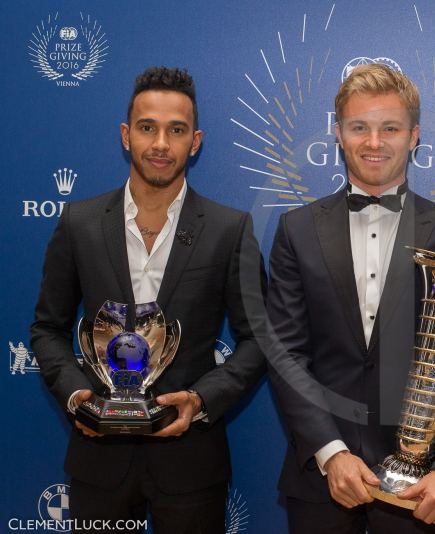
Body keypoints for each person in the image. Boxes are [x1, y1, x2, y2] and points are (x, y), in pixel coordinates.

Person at [30, 67, 269, 533]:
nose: (161, 143)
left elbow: (260, 339)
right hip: (97, 458)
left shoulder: (229, 229)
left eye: (176, 130)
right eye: (148, 128)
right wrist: (78, 395)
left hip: (191, 463)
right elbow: (47, 328)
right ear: (126, 135)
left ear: (194, 141)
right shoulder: (78, 223)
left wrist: (200, 400)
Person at [266, 63, 435, 533]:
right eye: (359, 127)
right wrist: (332, 452)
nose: (374, 142)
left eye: (390, 128)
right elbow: (286, 355)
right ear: (338, 134)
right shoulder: (295, 231)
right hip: (319, 476)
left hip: (419, 486)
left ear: (414, 136)